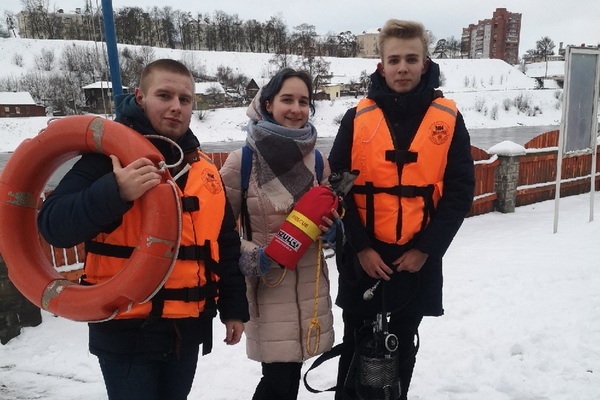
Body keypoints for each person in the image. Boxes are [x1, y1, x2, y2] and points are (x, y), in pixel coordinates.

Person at [37, 59, 249, 400]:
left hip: (187, 327)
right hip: (125, 328)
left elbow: (224, 245)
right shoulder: (106, 160)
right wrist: (115, 192)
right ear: (140, 97)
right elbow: (53, 225)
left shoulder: (203, 169)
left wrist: (234, 309)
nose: (175, 107)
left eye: (185, 99)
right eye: (164, 95)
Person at [328, 20, 475, 400]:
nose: (403, 68)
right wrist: (361, 248)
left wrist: (426, 250)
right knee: (356, 344)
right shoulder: (356, 118)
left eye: (412, 59)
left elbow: (460, 191)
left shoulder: (448, 119)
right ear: (381, 65)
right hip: (365, 257)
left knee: (402, 345)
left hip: (418, 257)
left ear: (425, 63)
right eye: (394, 59)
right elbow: (337, 189)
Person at [220, 68, 337, 400]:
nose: (296, 109)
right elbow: (217, 231)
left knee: (287, 381)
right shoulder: (241, 163)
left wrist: (333, 229)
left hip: (311, 291)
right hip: (268, 290)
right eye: (287, 99)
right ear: (268, 103)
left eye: (304, 101)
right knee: (277, 382)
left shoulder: (316, 162)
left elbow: (329, 210)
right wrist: (256, 258)